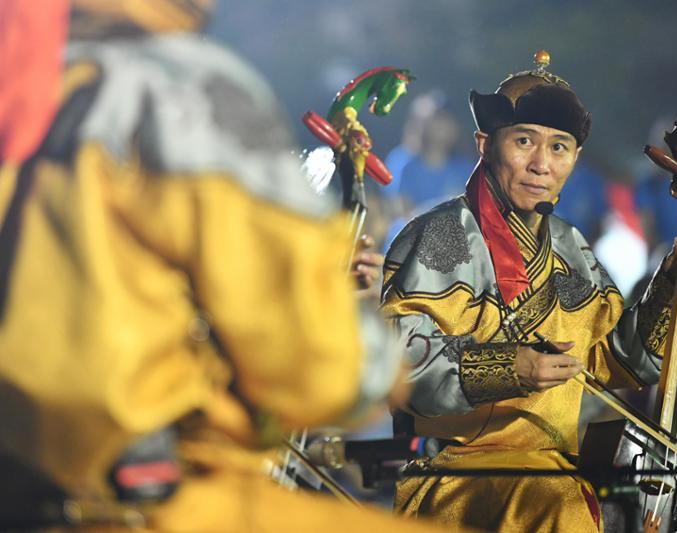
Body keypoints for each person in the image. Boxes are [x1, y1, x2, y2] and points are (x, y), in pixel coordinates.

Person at [0, 2, 454, 532]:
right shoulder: (179, 85)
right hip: (144, 500)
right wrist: (374, 357)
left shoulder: (31, 68)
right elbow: (320, 369)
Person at [381, 51, 677, 532]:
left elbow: (614, 360)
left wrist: (670, 290)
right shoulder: (440, 235)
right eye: (524, 141)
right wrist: (509, 367)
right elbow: (400, 367)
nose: (541, 164)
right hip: (457, 470)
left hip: (557, 466)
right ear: (485, 144)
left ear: (575, 159)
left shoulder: (571, 246)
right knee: (562, 506)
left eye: (559, 147)